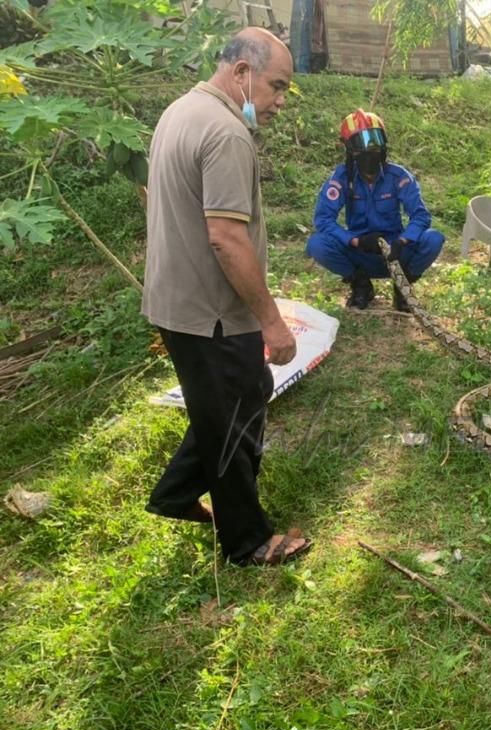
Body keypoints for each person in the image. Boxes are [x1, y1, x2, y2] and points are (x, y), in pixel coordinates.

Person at [141, 28, 312, 566]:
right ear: (241, 72)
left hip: (176, 302)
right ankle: (247, 540)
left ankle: (174, 492)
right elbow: (226, 236)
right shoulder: (228, 133)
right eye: (277, 86)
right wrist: (271, 321)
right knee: (236, 420)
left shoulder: (180, 111)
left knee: (233, 401)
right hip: (212, 313)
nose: (280, 102)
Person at [305, 108, 445, 311]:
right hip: (360, 251)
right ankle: (360, 285)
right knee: (317, 244)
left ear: (384, 144)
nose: (370, 148)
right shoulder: (342, 178)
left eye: (375, 139)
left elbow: (420, 215)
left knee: (434, 238)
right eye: (361, 142)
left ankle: (402, 288)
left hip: (396, 252)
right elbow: (323, 219)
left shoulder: (399, 176)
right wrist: (355, 240)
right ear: (349, 149)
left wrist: (402, 241)